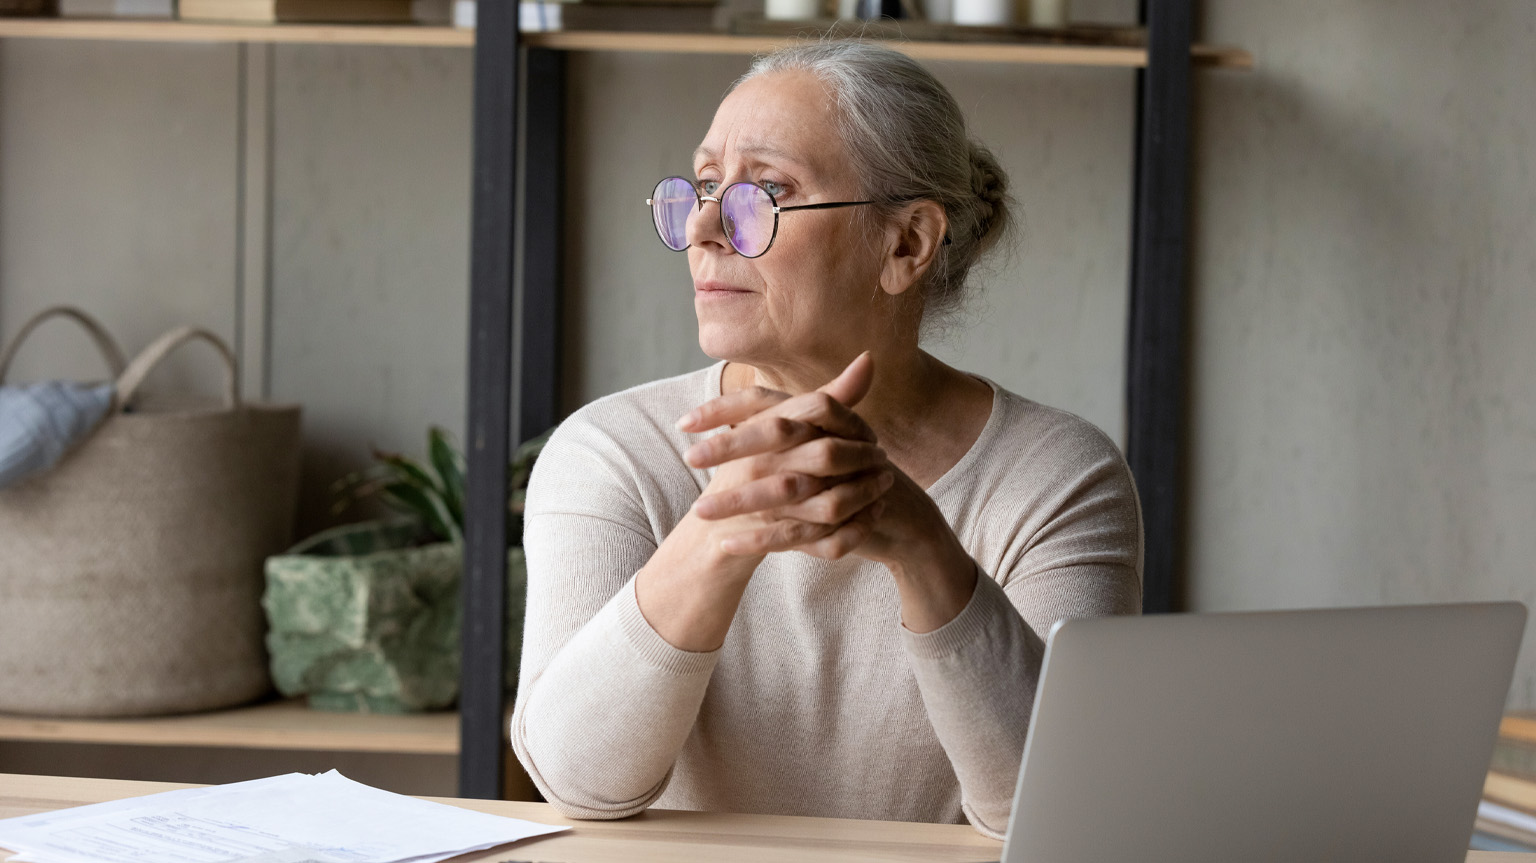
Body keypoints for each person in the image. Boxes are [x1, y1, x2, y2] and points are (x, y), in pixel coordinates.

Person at [510, 40, 1142, 839]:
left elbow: (1057, 810)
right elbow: (577, 781)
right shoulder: (612, 451)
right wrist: (720, 532)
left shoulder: (1057, 475)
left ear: (905, 244)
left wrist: (919, 543)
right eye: (705, 186)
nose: (704, 226)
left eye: (765, 192)